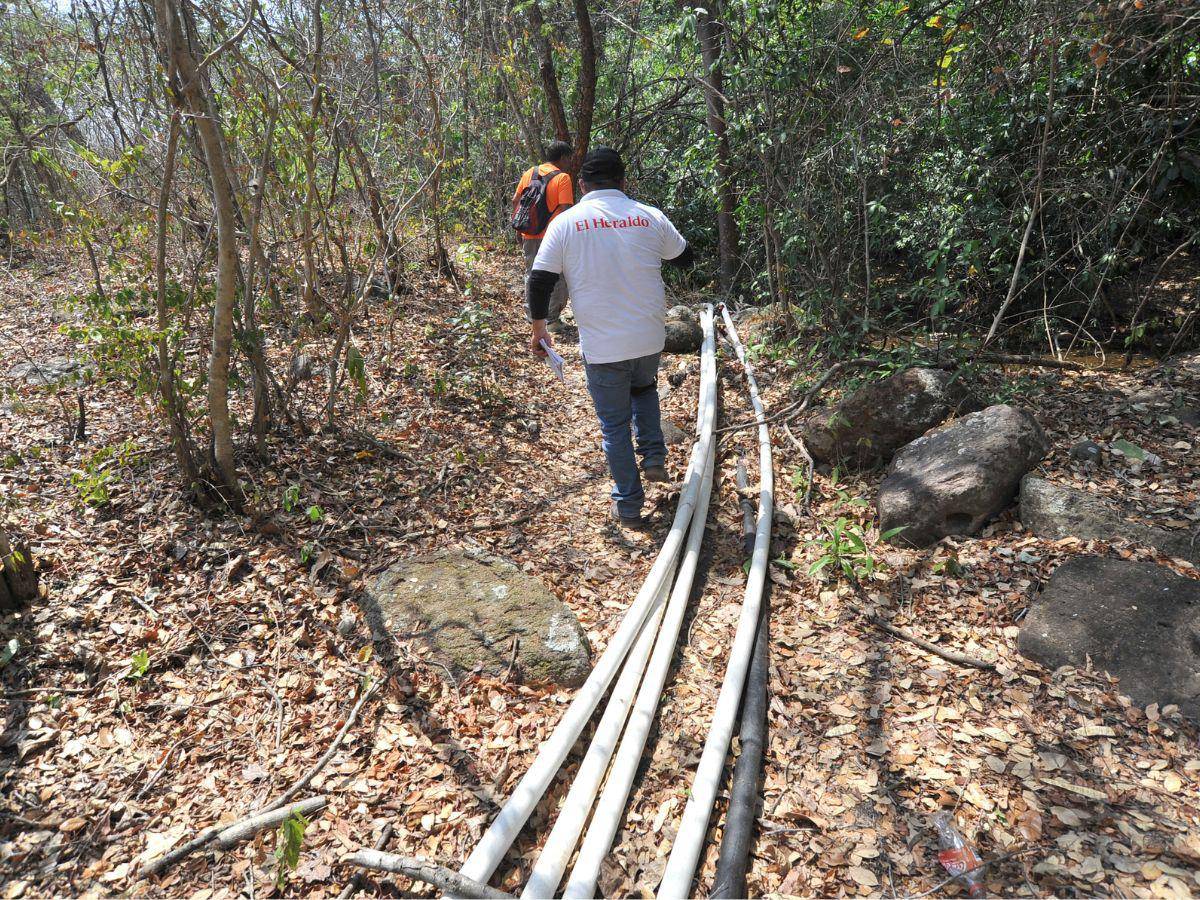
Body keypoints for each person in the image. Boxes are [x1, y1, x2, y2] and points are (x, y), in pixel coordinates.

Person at [526, 147, 696, 529]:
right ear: (622, 181)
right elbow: (685, 257)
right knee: (644, 389)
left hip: (603, 345)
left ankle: (630, 505)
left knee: (614, 425)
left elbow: (539, 281)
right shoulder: (649, 216)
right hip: (650, 336)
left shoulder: (567, 223)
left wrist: (540, 330)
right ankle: (653, 456)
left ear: (583, 184)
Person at [513, 141, 574, 328]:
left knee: (532, 274)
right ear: (563, 158)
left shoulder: (530, 173)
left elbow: (516, 200)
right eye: (569, 159)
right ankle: (552, 320)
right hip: (553, 237)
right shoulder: (563, 178)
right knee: (556, 277)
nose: (570, 162)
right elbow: (565, 209)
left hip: (529, 234)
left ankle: (532, 316)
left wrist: (518, 228)